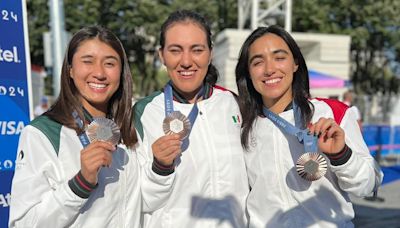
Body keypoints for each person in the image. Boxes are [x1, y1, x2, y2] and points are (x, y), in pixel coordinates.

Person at [9, 26, 173, 228]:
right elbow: (24, 223)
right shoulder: (43, 133)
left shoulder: (128, 130)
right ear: (70, 69)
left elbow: (144, 204)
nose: (99, 73)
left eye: (110, 63)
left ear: (121, 72)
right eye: (87, 61)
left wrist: (161, 167)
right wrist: (80, 183)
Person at [235, 25, 383, 228]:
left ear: (295, 63)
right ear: (248, 73)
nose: (269, 69)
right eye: (258, 62)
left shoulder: (332, 113)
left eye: (279, 58)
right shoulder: (242, 125)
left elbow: (368, 185)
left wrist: (341, 155)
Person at [134, 10, 249, 228]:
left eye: (197, 50)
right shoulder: (143, 113)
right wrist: (160, 168)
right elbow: (136, 200)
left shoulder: (234, 104)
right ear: (161, 56)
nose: (186, 61)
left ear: (210, 53)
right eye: (175, 51)